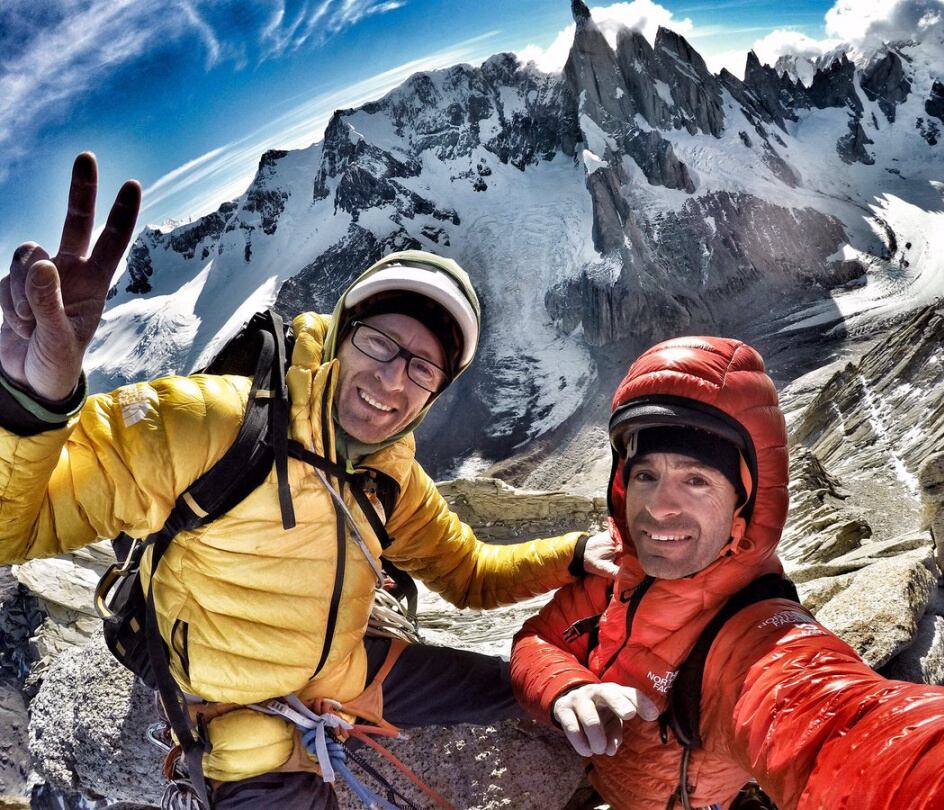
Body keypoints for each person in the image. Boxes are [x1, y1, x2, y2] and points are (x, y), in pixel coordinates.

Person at [0, 153, 616, 808]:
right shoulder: (207, 422)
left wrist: (575, 555)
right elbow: (18, 526)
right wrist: (30, 401)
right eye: (379, 343)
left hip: (345, 674)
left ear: (435, 393)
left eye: (422, 369)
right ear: (339, 337)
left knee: (537, 691)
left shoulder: (389, 474)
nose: (391, 381)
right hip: (237, 713)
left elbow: (469, 575)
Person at [510, 335, 944, 810]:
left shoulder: (757, 637)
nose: (660, 508)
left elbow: (841, 724)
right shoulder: (612, 573)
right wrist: (566, 687)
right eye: (645, 475)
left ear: (745, 501)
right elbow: (536, 638)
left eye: (696, 480)